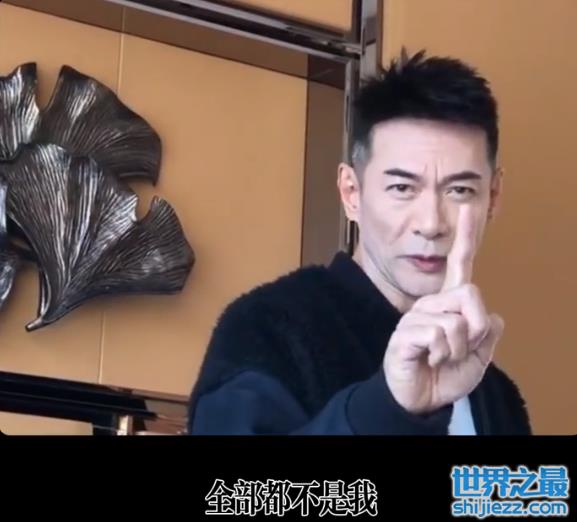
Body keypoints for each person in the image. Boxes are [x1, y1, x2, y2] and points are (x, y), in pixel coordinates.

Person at [186, 49, 531, 435]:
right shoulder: (267, 329)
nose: (432, 224)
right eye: (402, 188)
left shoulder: (494, 393)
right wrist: (387, 406)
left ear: (493, 197)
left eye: (460, 190)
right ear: (352, 192)